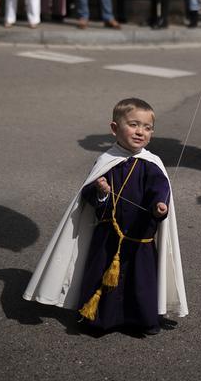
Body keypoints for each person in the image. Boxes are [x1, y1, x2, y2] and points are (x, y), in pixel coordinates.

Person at [23, 97, 188, 334]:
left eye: (147, 127)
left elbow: (159, 188)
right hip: (107, 237)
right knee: (101, 278)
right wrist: (100, 192)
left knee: (140, 283)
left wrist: (159, 206)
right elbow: (89, 194)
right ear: (114, 129)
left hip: (140, 238)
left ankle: (140, 321)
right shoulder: (106, 161)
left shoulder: (151, 164)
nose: (140, 132)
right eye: (133, 125)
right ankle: (99, 320)